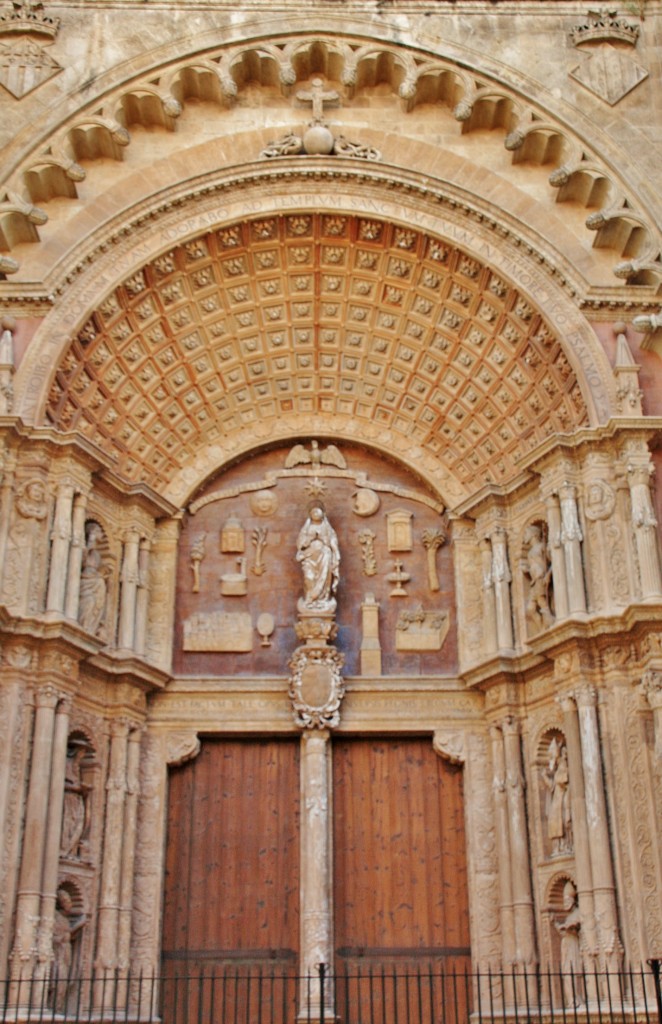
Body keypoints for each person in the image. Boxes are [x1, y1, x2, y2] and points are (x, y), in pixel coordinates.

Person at [296, 506, 340, 613]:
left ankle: (322, 600)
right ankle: (310, 600)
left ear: (323, 513)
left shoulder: (327, 528)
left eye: (317, 510)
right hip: (309, 557)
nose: (315, 512)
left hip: (325, 556)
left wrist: (324, 540)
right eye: (313, 511)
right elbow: (300, 544)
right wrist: (310, 539)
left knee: (324, 577)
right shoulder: (306, 528)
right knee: (309, 578)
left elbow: (333, 542)